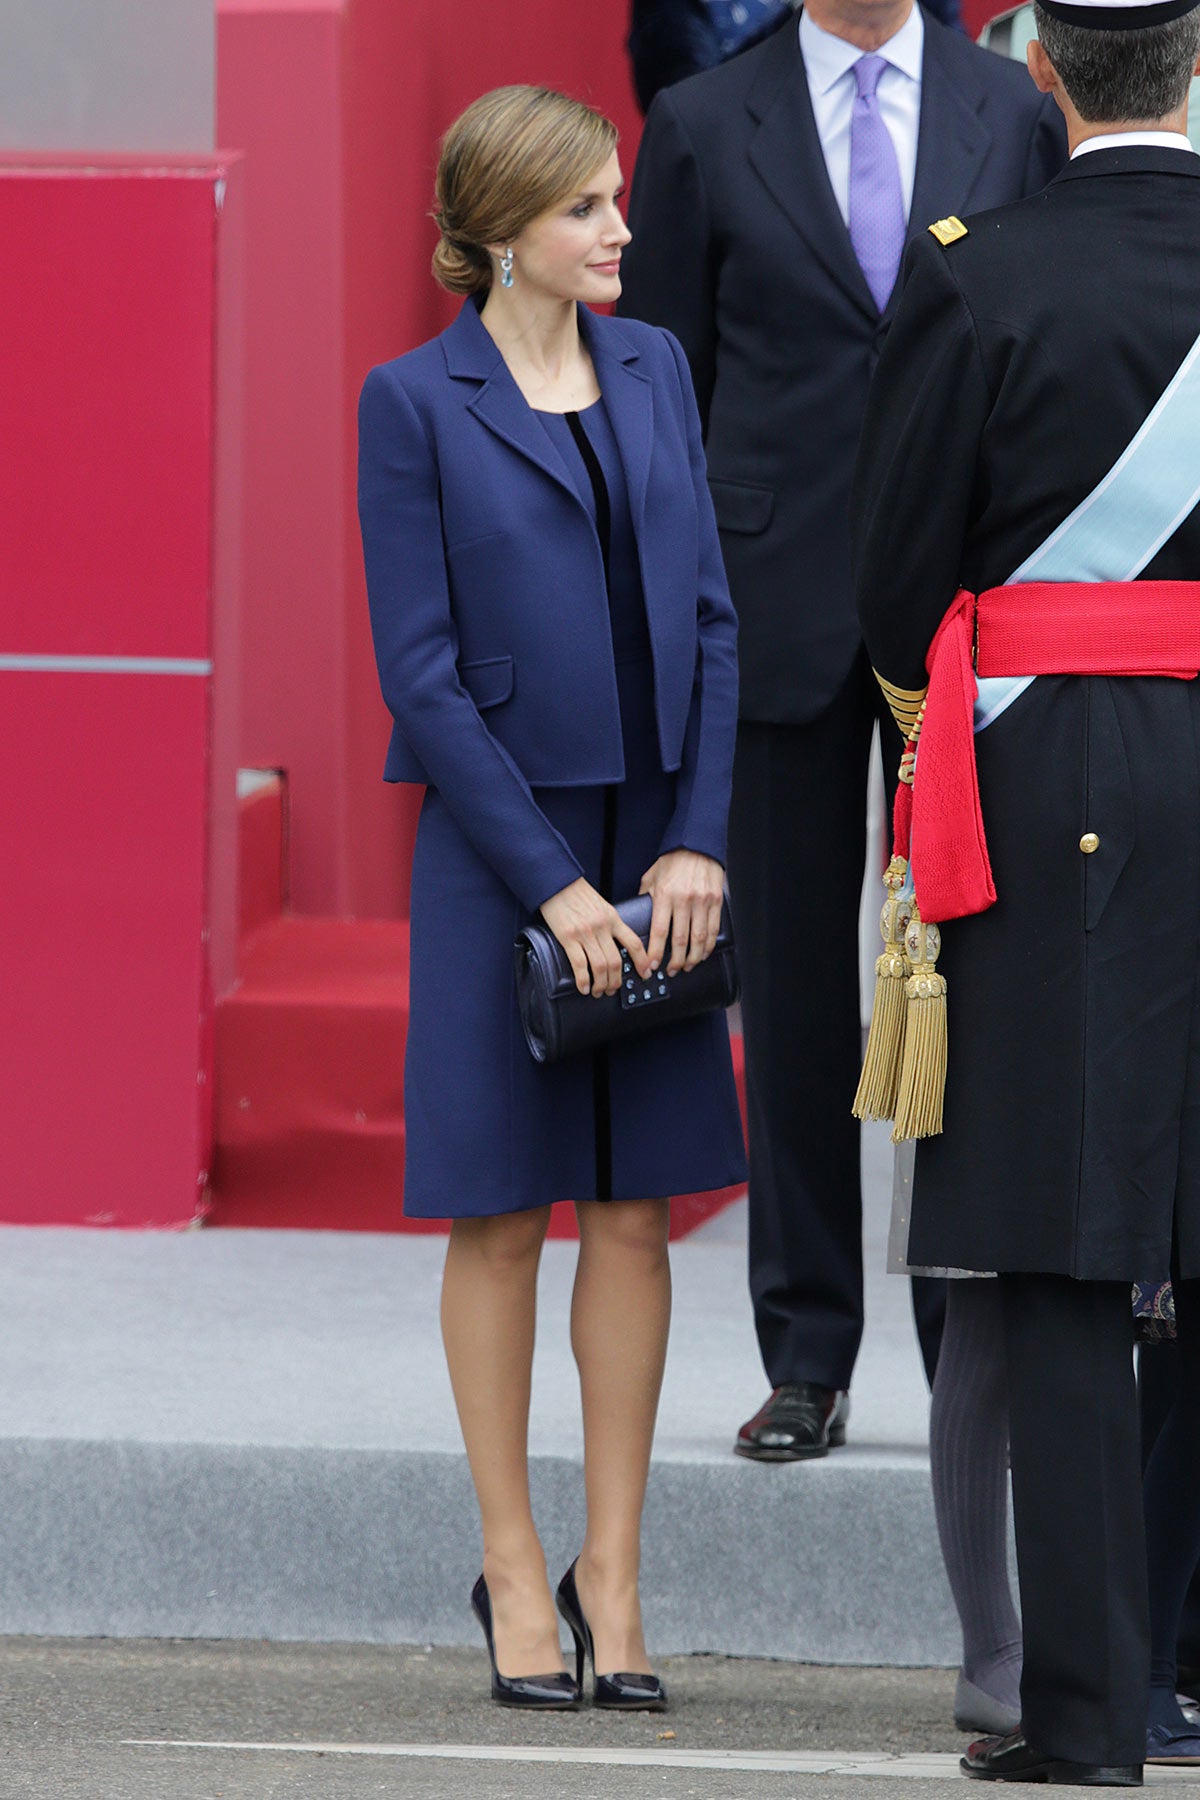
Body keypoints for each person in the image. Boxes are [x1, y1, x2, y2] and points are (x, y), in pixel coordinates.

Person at [619, 0, 1066, 1463]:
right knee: (804, 990)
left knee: (969, 979)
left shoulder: (1009, 112)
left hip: (974, 606)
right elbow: (661, 391)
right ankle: (807, 1349)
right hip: (776, 609)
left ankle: (967, 1341)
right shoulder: (699, 121)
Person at [357, 85, 746, 1713]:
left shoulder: (653, 366)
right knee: (505, 1213)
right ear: (505, 222)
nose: (620, 230)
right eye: (589, 206)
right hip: (502, 845)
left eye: (617, 201)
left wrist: (695, 841)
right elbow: (425, 680)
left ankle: (618, 1575)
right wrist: (559, 888)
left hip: (659, 843)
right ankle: (515, 1569)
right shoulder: (413, 399)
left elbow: (717, 620)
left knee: (638, 1213)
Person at [852, 0, 1200, 1775]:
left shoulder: (978, 270)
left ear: (1044, 72)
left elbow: (900, 570)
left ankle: (1082, 1715)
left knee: (1069, 1255)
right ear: (1196, 67)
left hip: (1055, 783)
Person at [630, 0, 962, 114]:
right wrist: (812, 19)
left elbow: (950, 56)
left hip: (897, 124)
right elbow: (682, 102)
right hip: (761, 166)